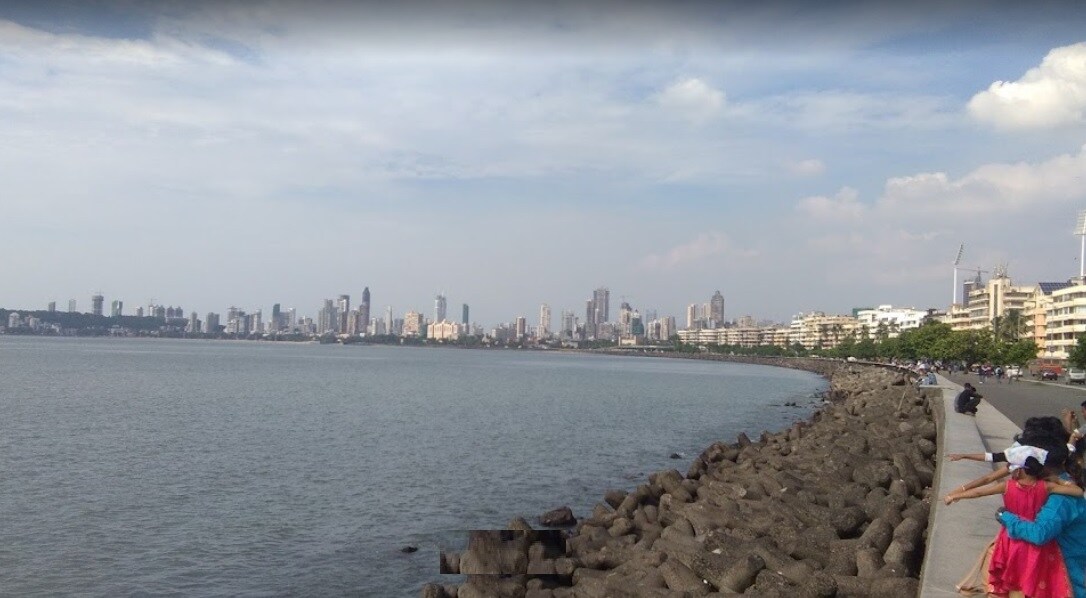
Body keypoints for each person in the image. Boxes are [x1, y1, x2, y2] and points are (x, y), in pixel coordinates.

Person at [944, 446, 1080, 598]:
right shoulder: (1047, 487)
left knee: (1010, 578)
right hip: (1036, 545)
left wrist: (955, 496)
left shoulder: (1007, 486)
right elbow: (1078, 491)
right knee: (1031, 579)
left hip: (1011, 538)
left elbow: (979, 492)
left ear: (1018, 471)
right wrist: (1059, 480)